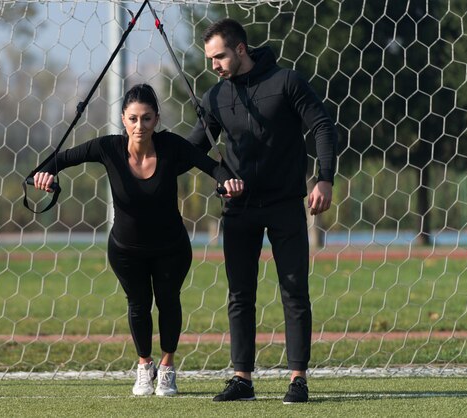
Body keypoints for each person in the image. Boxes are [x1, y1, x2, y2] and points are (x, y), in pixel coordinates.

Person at [33, 83, 244, 397]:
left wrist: (228, 180)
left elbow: (212, 165)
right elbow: (61, 158)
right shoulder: (108, 147)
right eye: (133, 118)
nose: (139, 125)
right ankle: (145, 366)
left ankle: (168, 368)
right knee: (138, 306)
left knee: (169, 302)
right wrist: (44, 175)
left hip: (171, 248)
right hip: (126, 250)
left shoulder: (171, 146)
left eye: (146, 118)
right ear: (123, 119)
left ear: (156, 119)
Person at [187, 19, 338, 403]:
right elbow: (192, 150)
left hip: (286, 205)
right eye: (209, 59)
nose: (214, 65)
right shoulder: (214, 97)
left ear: (241, 49)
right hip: (238, 209)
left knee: (294, 291)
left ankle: (298, 379)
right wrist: (221, 176)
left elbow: (321, 124)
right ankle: (242, 379)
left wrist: (324, 178)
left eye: (220, 56)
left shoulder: (286, 82)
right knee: (240, 294)